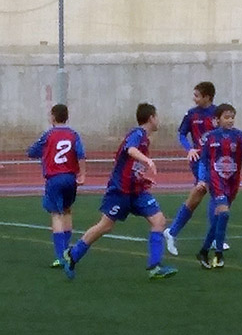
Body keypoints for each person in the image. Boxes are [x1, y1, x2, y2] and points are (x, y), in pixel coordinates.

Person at [59, 103, 177, 281]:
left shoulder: (145, 139)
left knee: (158, 220)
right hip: (120, 191)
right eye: (157, 116)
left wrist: (143, 178)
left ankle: (155, 266)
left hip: (136, 191)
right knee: (105, 226)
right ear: (151, 118)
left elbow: (132, 166)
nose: (158, 120)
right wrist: (148, 161)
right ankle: (73, 254)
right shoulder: (137, 134)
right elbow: (131, 150)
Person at [195, 103, 242, 269]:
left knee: (219, 218)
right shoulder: (210, 138)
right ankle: (218, 253)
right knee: (224, 214)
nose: (230, 120)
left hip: (233, 183)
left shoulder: (240, 137)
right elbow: (204, 161)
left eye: (232, 117)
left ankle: (204, 251)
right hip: (216, 181)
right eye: (226, 117)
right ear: (217, 120)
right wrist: (201, 179)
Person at [27, 104, 86, 268]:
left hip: (54, 179)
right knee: (67, 210)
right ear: (66, 117)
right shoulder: (74, 134)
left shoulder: (48, 135)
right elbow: (81, 154)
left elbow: (32, 151)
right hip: (70, 178)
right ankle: (68, 252)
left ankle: (60, 256)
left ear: (53, 117)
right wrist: (83, 174)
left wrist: (42, 152)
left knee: (56, 214)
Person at [163, 81, 218, 256]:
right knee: (215, 192)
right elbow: (181, 134)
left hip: (215, 160)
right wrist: (190, 149)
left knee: (197, 196)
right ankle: (215, 237)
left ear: (207, 97)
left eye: (197, 95)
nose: (193, 98)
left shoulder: (217, 113)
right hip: (199, 160)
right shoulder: (191, 114)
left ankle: (172, 232)